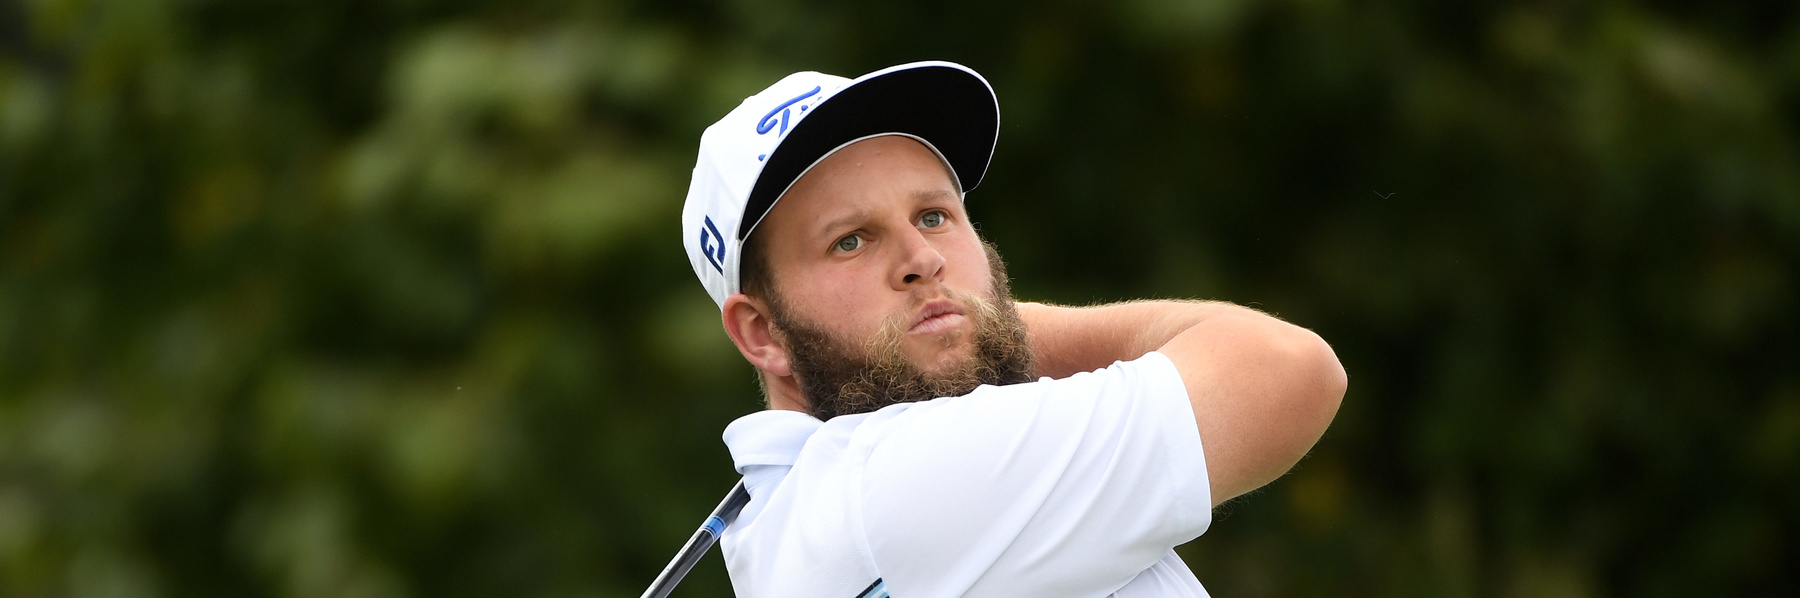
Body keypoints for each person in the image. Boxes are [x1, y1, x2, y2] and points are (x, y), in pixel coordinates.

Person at [680, 61, 1346, 598]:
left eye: (934, 216)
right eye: (851, 241)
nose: (922, 260)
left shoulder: (805, 522)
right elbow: (1288, 370)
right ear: (762, 334)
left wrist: (950, 329)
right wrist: (985, 324)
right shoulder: (901, 478)